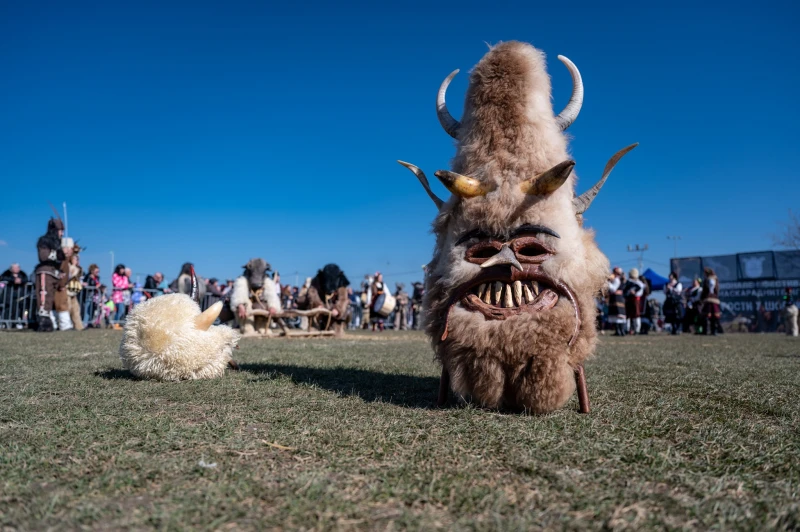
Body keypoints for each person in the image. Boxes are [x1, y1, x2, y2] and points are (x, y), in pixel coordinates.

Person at [33, 217, 65, 331]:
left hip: (53, 273)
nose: (62, 233)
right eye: (60, 230)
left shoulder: (58, 243)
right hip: (45, 272)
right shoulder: (44, 241)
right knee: (44, 296)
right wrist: (58, 254)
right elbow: (43, 256)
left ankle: (47, 322)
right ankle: (42, 322)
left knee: (50, 298)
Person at [66, 248, 84, 331]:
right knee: (68, 308)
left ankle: (78, 326)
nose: (77, 260)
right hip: (67, 290)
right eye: (75, 259)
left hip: (73, 291)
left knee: (76, 309)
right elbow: (70, 276)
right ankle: (67, 325)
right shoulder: (70, 267)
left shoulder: (78, 268)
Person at [701, 267, 721, 336]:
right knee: (708, 315)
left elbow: (712, 286)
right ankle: (707, 330)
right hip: (710, 298)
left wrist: (709, 293)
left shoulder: (711, 279)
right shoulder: (709, 279)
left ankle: (713, 331)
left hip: (711, 298)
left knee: (712, 315)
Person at [623, 268, 644, 335]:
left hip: (636, 300)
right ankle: (627, 329)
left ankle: (637, 329)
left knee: (636, 315)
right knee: (628, 315)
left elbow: (640, 291)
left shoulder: (639, 283)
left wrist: (634, 292)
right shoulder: (628, 282)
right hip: (629, 300)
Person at [607, 267, 627, 336]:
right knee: (618, 315)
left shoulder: (616, 280)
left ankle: (619, 331)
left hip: (616, 298)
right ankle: (620, 331)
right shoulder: (621, 280)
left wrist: (608, 283)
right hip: (618, 298)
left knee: (617, 314)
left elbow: (613, 289)